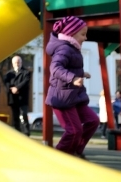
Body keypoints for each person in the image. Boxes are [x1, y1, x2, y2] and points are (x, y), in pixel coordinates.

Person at [45, 16, 99, 158]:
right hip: (63, 98)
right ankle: (58, 157)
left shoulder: (72, 48)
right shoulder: (64, 48)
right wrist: (73, 78)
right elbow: (55, 68)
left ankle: (75, 152)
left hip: (74, 96)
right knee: (74, 130)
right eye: (82, 34)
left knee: (93, 121)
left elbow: (70, 67)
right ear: (70, 33)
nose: (85, 38)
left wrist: (81, 73)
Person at [4, 54, 31, 136]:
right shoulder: (8, 74)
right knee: (15, 116)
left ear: (21, 63)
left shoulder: (26, 72)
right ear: (13, 64)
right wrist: (12, 89)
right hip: (13, 99)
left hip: (22, 98)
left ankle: (26, 132)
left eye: (18, 62)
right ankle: (17, 132)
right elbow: (6, 83)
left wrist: (17, 88)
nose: (17, 64)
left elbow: (26, 82)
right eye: (15, 62)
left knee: (24, 115)